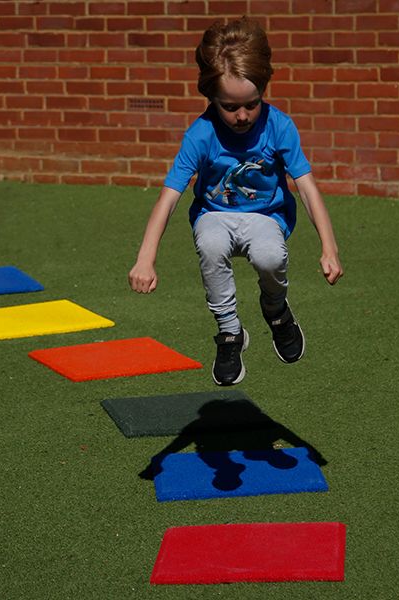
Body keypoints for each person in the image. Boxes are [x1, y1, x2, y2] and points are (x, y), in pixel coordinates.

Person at [129, 17, 343, 386]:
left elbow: (306, 187)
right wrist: (145, 259)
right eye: (230, 107)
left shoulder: (279, 126)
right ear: (211, 97)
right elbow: (169, 198)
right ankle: (230, 332)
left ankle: (276, 311)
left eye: (252, 104)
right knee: (211, 244)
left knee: (269, 257)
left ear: (263, 91)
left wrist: (329, 246)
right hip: (215, 213)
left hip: (266, 216)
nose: (242, 116)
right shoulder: (200, 135)